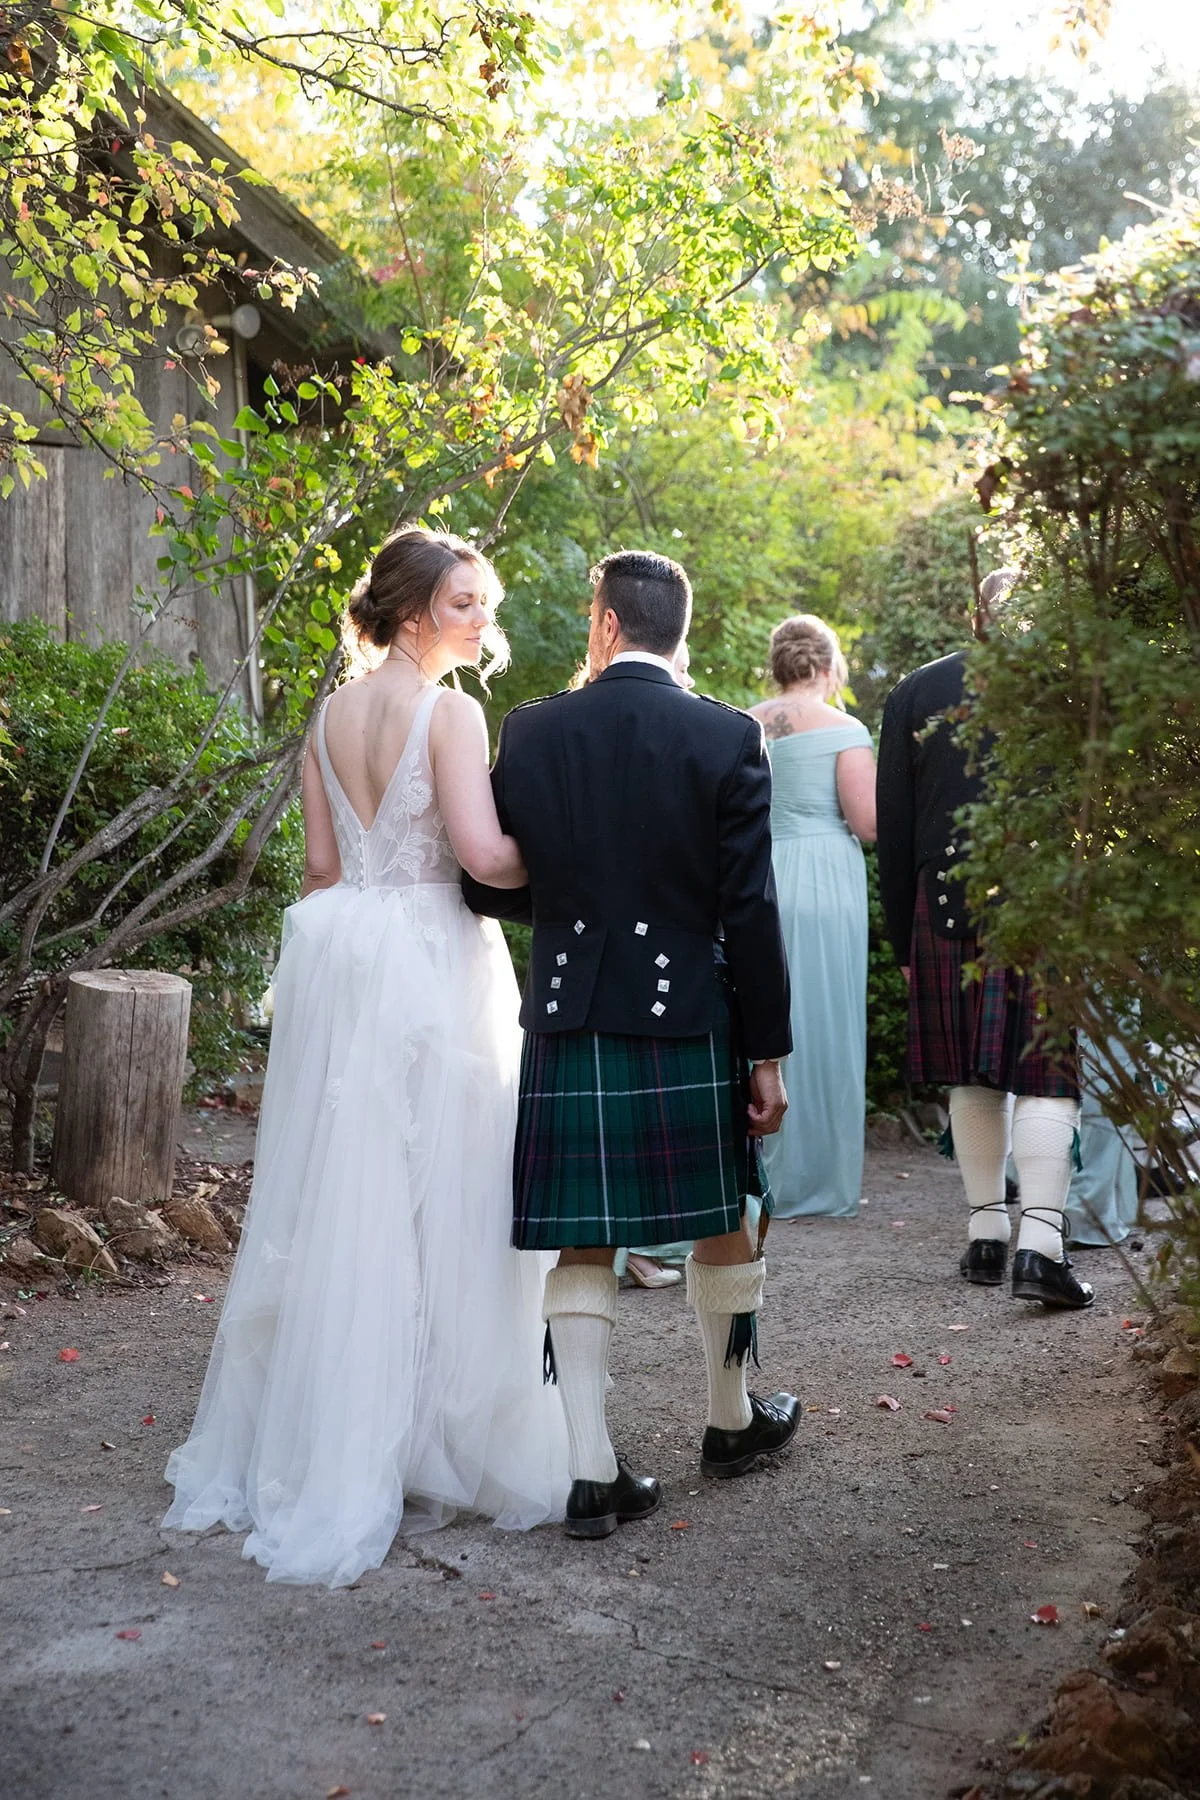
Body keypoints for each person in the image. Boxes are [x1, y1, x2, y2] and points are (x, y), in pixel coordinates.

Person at [163, 525, 568, 1586]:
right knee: (450, 1186)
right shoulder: (451, 712)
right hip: (435, 953)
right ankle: (435, 1439)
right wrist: (572, 851)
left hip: (350, 953)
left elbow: (320, 868)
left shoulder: (329, 715)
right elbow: (483, 856)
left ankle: (344, 1428)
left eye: (484, 603)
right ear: (415, 611)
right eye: (466, 603)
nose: (483, 620)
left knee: (352, 1191)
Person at [464, 550, 799, 1541]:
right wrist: (768, 1052)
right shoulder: (728, 735)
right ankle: (730, 1421)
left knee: (585, 1232)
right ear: (676, 630)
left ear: (605, 623)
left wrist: (576, 901)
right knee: (721, 1213)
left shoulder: (533, 728)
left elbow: (482, 882)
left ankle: (589, 1471)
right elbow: (750, 906)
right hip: (687, 1010)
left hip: (570, 1008)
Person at [875, 570, 1091, 1309]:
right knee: (1046, 1072)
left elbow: (895, 832)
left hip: (940, 902)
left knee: (972, 1070)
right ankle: (1041, 1248)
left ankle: (986, 1235)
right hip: (1043, 897)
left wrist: (902, 939)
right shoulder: (1068, 687)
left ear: (977, 618)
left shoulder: (915, 690)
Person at [748, 615, 876, 1219]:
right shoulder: (846, 729)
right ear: (828, 667)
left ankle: (760, 1171)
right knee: (825, 1015)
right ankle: (819, 1177)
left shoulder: (745, 721)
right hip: (826, 877)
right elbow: (866, 823)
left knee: (766, 1010)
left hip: (763, 874)